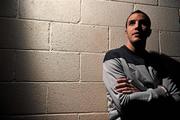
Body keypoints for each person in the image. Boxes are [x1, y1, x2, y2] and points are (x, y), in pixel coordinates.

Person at [103, 10, 180, 120]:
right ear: (126, 31)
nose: (137, 26)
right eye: (132, 23)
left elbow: (177, 98)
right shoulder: (114, 57)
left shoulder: (158, 62)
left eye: (142, 23)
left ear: (149, 32)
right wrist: (162, 91)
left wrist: (139, 94)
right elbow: (124, 103)